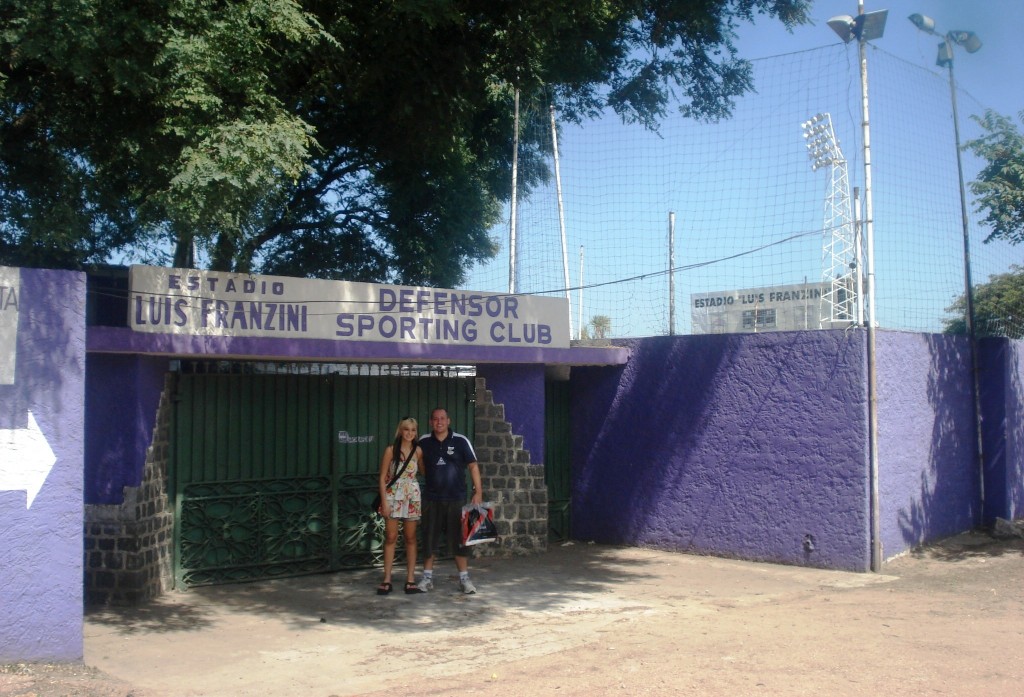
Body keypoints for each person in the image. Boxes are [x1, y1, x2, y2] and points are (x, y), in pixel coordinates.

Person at [416, 407, 483, 594]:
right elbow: (418, 463)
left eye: (442, 418)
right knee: (429, 539)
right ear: (431, 422)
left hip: (457, 499)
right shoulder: (424, 441)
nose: (439, 422)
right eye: (435, 419)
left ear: (449, 421)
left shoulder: (461, 441)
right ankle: (427, 578)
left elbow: (473, 466)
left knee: (460, 540)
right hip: (432, 499)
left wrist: (478, 492)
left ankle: (464, 579)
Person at [376, 417, 425, 595]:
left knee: (410, 538)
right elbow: (382, 478)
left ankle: (410, 579)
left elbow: (423, 470)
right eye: (406, 429)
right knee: (391, 537)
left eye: (413, 430)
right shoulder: (391, 450)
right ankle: (387, 579)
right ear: (400, 430)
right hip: (393, 496)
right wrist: (384, 502)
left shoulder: (418, 451)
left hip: (411, 495)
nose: (410, 433)